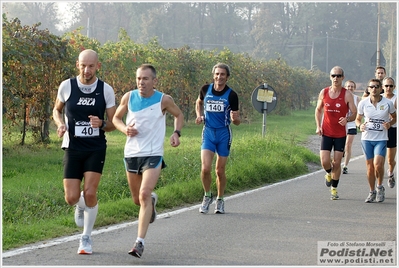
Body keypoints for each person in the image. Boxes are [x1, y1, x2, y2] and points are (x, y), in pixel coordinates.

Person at [112, 64, 184, 258]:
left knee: (144, 193)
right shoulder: (129, 97)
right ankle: (151, 202)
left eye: (145, 79)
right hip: (132, 154)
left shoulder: (164, 100)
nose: (141, 82)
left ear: (154, 81)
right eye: (138, 79)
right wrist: (124, 129)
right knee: (138, 199)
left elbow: (179, 115)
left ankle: (139, 243)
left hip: (153, 153)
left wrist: (176, 133)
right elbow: (116, 119)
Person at [52, 49, 116, 254]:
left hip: (95, 148)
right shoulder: (67, 86)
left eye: (91, 66)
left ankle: (86, 238)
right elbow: (56, 110)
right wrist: (60, 124)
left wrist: (102, 123)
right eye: (83, 65)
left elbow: (114, 123)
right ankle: (82, 205)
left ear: (98, 66)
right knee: (71, 198)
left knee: (90, 193)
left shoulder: (105, 89)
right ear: (77, 65)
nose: (86, 70)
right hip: (73, 147)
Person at [195, 63, 240, 214]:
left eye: (222, 74)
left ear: (227, 77)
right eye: (217, 74)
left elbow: (237, 121)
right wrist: (199, 115)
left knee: (219, 171)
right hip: (208, 132)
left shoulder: (232, 95)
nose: (219, 77)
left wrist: (235, 119)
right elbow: (199, 102)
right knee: (205, 168)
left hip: (223, 134)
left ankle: (220, 199)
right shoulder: (205, 89)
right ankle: (207, 195)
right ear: (213, 75)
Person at [315, 66, 357, 200]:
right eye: (333, 76)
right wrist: (318, 126)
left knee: (337, 163)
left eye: (338, 76)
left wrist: (347, 119)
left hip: (340, 134)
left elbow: (354, 113)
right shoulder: (324, 92)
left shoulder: (347, 94)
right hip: (326, 132)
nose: (336, 78)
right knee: (324, 161)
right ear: (330, 77)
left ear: (342, 78)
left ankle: (334, 188)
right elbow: (318, 110)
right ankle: (328, 173)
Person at [356, 78, 396, 202]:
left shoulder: (388, 103)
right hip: (367, 138)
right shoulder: (363, 103)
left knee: (378, 164)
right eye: (371, 87)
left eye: (376, 87)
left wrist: (389, 124)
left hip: (381, 138)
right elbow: (358, 119)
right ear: (368, 89)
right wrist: (360, 125)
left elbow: (394, 117)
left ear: (380, 89)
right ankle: (371, 191)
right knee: (370, 167)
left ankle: (380, 187)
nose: (374, 89)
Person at [342, 80, 360, 174]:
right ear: (345, 87)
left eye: (352, 86)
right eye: (348, 86)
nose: (350, 88)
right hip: (341, 124)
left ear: (354, 88)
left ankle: (345, 166)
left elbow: (361, 112)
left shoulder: (357, 99)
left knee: (348, 145)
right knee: (341, 145)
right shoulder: (341, 98)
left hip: (352, 124)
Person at [382, 77, 397, 188]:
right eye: (386, 85)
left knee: (390, 160)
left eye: (391, 86)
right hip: (379, 130)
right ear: (383, 87)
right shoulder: (379, 98)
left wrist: (390, 123)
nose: (388, 88)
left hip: (392, 129)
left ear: (394, 87)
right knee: (379, 158)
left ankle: (391, 173)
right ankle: (379, 183)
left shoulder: (396, 99)